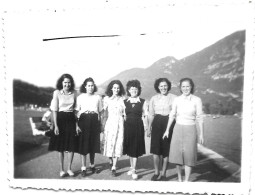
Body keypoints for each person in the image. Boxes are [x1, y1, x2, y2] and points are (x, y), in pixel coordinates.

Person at [163, 78, 204, 182]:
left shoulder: (197, 100)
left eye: (188, 86)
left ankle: (186, 181)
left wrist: (201, 134)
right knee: (177, 155)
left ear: (191, 87)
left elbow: (200, 117)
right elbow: (172, 115)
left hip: (190, 129)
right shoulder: (177, 99)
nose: (185, 88)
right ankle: (180, 179)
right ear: (180, 88)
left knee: (189, 155)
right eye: (183, 86)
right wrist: (167, 130)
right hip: (178, 129)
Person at [48, 73, 78, 178]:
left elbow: (75, 111)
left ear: (71, 83)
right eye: (65, 82)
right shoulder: (56, 93)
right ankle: (61, 170)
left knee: (71, 145)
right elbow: (54, 110)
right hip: (60, 119)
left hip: (71, 119)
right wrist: (55, 125)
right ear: (62, 83)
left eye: (69, 82)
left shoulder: (74, 93)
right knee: (61, 146)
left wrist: (77, 124)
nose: (67, 84)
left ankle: (69, 169)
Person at [147, 78, 176, 181]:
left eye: (165, 85)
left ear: (168, 86)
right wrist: (149, 128)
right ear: (158, 87)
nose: (163, 88)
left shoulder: (174, 98)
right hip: (156, 123)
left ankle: (163, 174)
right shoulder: (153, 98)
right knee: (155, 150)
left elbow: (176, 114)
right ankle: (156, 172)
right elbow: (151, 114)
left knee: (166, 150)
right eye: (161, 86)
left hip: (168, 124)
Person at [75, 77, 103, 177]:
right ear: (85, 86)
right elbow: (76, 112)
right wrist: (76, 125)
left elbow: (100, 112)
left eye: (92, 85)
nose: (90, 87)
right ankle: (83, 167)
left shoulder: (98, 97)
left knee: (93, 144)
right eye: (88, 85)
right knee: (83, 144)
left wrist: (101, 124)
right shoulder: (80, 97)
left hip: (94, 120)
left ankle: (92, 165)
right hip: (83, 120)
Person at [123, 79, 148, 180]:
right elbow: (123, 116)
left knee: (136, 147)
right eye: (131, 88)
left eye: (135, 89)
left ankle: (134, 169)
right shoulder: (124, 102)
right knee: (129, 147)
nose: (133, 90)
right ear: (128, 90)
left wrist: (146, 127)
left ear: (138, 90)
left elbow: (145, 115)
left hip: (138, 126)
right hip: (128, 126)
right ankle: (131, 167)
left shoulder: (143, 101)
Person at [101, 80, 126, 177]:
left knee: (118, 143)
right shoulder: (106, 99)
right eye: (115, 87)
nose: (116, 89)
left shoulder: (122, 99)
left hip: (120, 124)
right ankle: (110, 159)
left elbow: (125, 113)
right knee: (109, 143)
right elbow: (102, 111)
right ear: (111, 88)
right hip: (110, 123)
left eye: (118, 88)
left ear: (120, 89)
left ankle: (114, 167)